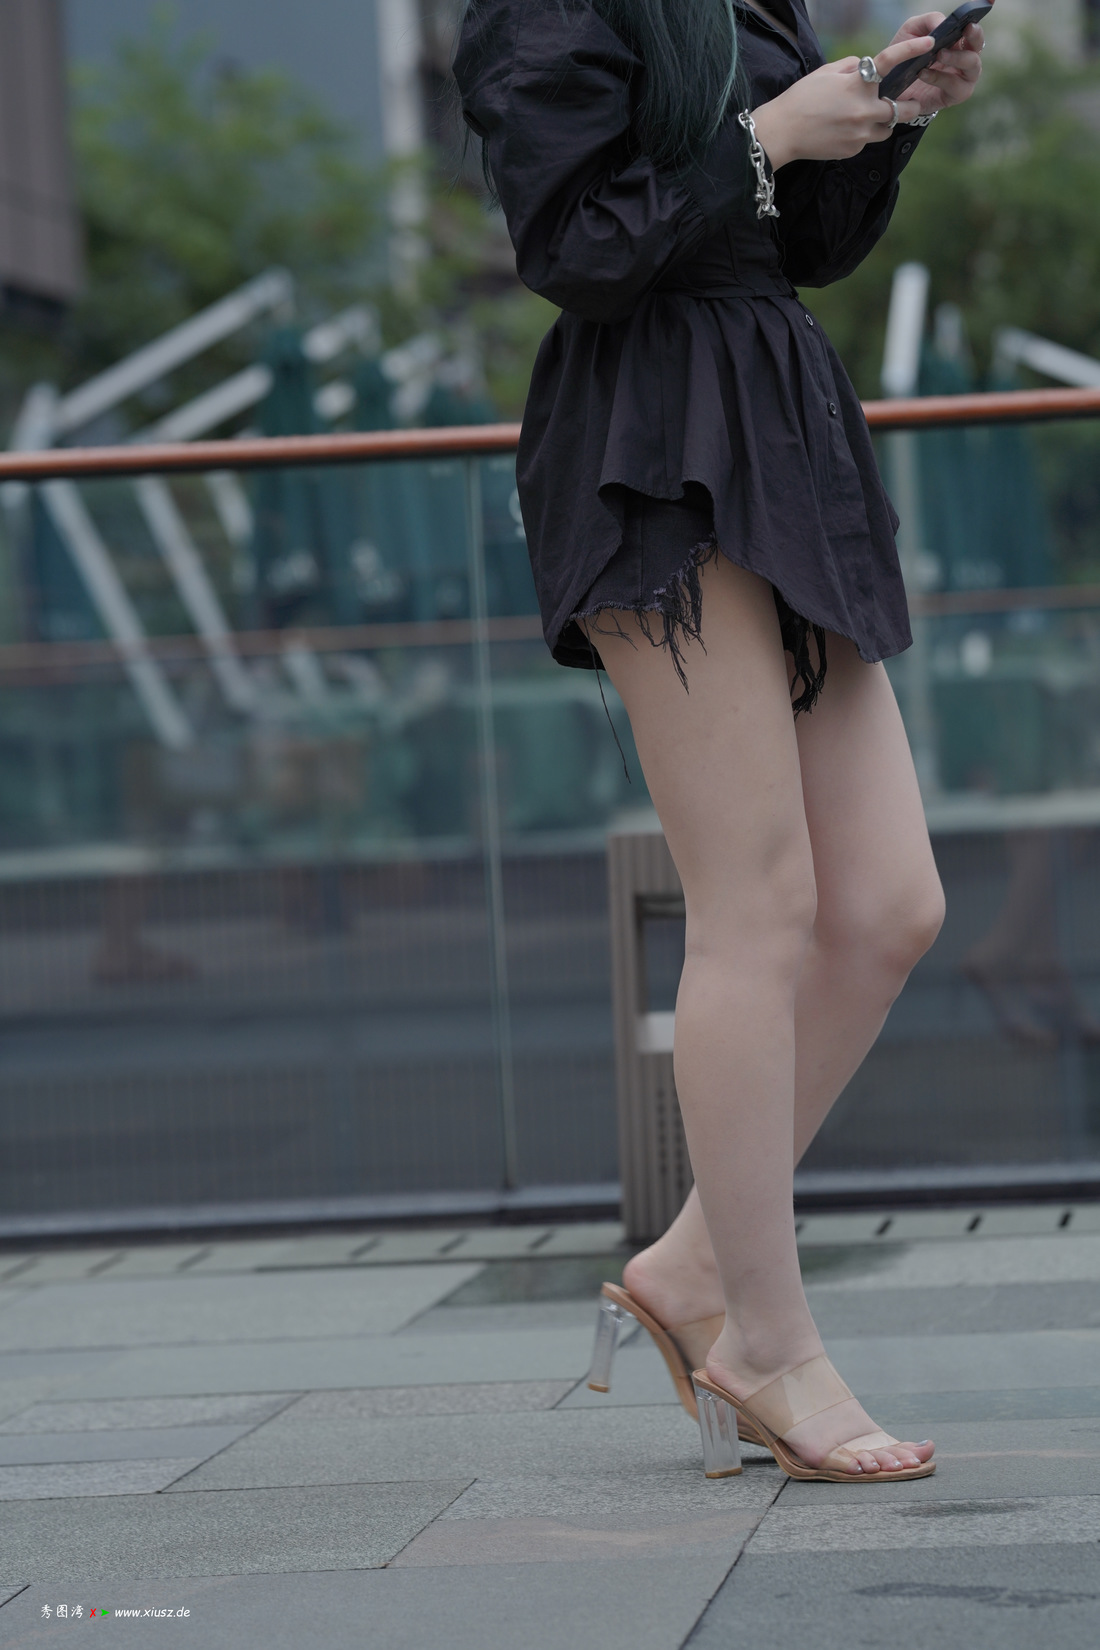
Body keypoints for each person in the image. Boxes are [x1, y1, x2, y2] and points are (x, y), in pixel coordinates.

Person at [454, 1, 985, 1481]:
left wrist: (887, 115)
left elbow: (801, 246)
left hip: (775, 419)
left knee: (889, 902)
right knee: (757, 904)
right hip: (647, 443)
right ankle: (766, 1337)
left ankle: (690, 1266)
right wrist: (763, 136)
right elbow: (574, 247)